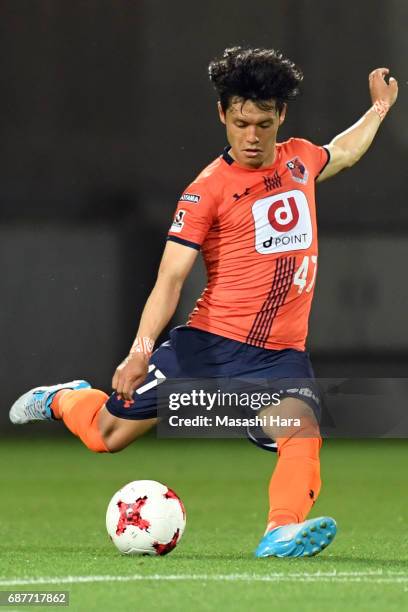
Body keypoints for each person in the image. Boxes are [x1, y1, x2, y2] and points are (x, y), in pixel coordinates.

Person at [10, 47, 398, 558]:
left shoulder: (300, 158)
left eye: (263, 123)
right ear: (223, 115)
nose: (252, 136)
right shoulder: (206, 190)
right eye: (240, 123)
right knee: (108, 434)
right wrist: (141, 350)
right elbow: (170, 278)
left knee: (302, 431)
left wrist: (378, 111)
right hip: (209, 347)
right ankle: (65, 398)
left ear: (281, 116)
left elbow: (342, 151)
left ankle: (279, 532)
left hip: (280, 355)